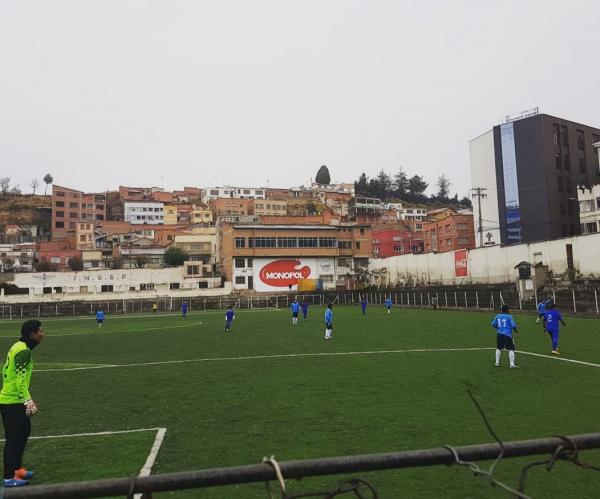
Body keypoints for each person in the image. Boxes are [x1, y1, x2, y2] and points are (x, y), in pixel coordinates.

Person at [0, 320, 45, 487]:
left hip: (14, 399)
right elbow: (19, 380)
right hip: (12, 401)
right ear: (32, 334)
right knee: (14, 439)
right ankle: (8, 477)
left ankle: (17, 468)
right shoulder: (23, 351)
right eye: (40, 331)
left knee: (24, 431)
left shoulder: (20, 346)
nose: (43, 334)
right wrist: (28, 401)